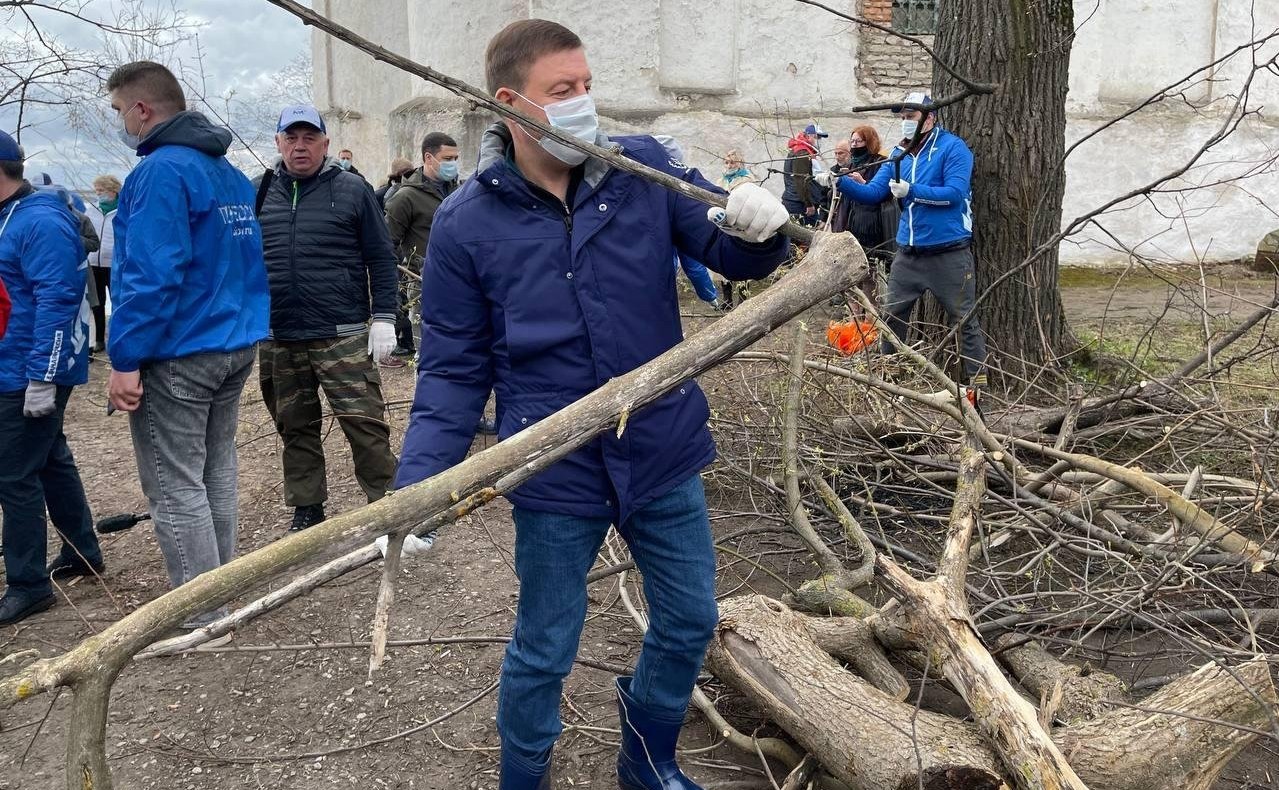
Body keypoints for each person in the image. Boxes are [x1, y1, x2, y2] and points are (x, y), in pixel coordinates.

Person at [394, 19, 791, 789]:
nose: (582, 105)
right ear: (511, 105)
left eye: (585, 86)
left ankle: (647, 761)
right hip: (554, 465)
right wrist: (421, 485)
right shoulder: (465, 222)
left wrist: (759, 233)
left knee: (687, 618)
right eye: (561, 92)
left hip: (662, 447)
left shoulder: (637, 170)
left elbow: (723, 249)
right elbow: (451, 367)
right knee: (545, 644)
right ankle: (525, 776)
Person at [105, 61, 270, 631]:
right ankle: (222, 590)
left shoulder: (160, 174)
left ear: (141, 110)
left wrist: (125, 358)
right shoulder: (224, 171)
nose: (120, 123)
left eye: (118, 111)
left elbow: (151, 276)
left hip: (179, 350)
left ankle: (201, 611)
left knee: (175, 481)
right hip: (234, 340)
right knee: (215, 467)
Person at [256, 105, 400, 533]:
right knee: (294, 425)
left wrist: (385, 316)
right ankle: (307, 505)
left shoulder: (353, 190)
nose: (300, 146)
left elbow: (381, 257)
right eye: (291, 138)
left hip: (342, 334)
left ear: (325, 143)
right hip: (279, 334)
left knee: (365, 423)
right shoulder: (258, 192)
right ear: (279, 142)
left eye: (309, 137)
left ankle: (387, 501)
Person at [0, 129, 104, 626]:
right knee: (50, 458)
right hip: (13, 364)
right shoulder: (8, 218)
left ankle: (27, 583)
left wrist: (42, 375)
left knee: (14, 473)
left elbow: (59, 300)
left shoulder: (39, 221)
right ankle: (82, 551)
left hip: (27, 369)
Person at [831, 92, 987, 392]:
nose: (905, 123)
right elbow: (875, 193)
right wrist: (841, 181)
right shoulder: (899, 154)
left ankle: (978, 388)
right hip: (908, 255)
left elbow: (955, 193)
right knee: (891, 321)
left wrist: (911, 190)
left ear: (929, 118)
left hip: (949, 253)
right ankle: (888, 385)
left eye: (910, 118)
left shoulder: (952, 148)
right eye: (901, 118)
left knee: (965, 322)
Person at [384, 132, 461, 361]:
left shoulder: (459, 191)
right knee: (428, 353)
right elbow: (387, 244)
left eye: (456, 159)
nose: (453, 164)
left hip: (459, 280)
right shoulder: (405, 197)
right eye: (448, 159)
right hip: (422, 285)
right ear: (429, 158)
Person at [86, 175, 120, 353]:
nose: (99, 194)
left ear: (113, 191)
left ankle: (117, 338)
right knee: (98, 303)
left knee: (117, 302)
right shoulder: (91, 210)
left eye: (102, 190)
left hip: (115, 264)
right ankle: (98, 339)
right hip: (94, 263)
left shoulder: (123, 209)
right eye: (97, 190)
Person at [781, 123, 826, 225]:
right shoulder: (802, 153)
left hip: (794, 201)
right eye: (817, 137)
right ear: (808, 136)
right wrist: (808, 204)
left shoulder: (798, 150)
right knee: (807, 236)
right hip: (799, 205)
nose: (819, 141)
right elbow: (801, 180)